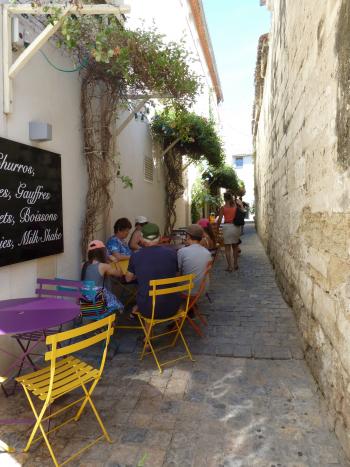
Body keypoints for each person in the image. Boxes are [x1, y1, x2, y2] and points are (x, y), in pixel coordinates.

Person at [125, 223, 182, 320]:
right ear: (159, 237)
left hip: (148, 310)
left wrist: (140, 273)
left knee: (144, 298)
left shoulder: (136, 256)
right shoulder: (172, 253)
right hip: (173, 306)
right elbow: (176, 274)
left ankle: (148, 334)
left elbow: (128, 279)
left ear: (142, 239)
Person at [81, 240, 124, 312]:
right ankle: (112, 320)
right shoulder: (103, 266)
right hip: (98, 303)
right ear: (102, 252)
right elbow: (120, 274)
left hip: (86, 303)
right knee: (118, 306)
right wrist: (115, 261)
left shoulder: (84, 265)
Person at [178, 224, 212, 295]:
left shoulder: (182, 251)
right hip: (203, 288)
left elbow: (179, 271)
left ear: (188, 236)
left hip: (188, 290)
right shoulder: (207, 253)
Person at [217, 192, 243, 272]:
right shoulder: (235, 206)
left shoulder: (223, 208)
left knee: (227, 249)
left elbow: (220, 219)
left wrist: (217, 228)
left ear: (224, 198)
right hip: (236, 227)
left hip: (227, 227)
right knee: (235, 247)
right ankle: (235, 264)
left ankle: (230, 267)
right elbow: (242, 212)